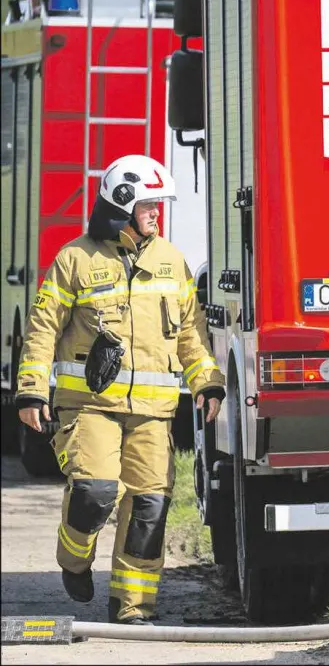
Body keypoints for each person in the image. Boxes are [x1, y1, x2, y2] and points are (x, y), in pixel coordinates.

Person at [15, 154, 225, 625]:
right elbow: (43, 327)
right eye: (150, 204)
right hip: (88, 407)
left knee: (149, 508)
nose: (157, 213)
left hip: (153, 412)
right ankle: (74, 560)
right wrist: (31, 390)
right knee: (94, 492)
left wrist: (207, 381)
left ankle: (133, 608)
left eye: (159, 205)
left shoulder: (172, 262)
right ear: (123, 204)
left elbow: (190, 333)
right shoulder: (74, 259)